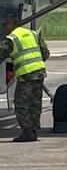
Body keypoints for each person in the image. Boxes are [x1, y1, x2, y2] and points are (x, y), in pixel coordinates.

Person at [1, 14, 49, 142]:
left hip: (26, 74)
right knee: (35, 102)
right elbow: (45, 53)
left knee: (21, 103)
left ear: (13, 24)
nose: (4, 27)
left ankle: (27, 131)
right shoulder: (33, 34)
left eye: (6, 24)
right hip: (39, 72)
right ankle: (33, 129)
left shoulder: (11, 38)